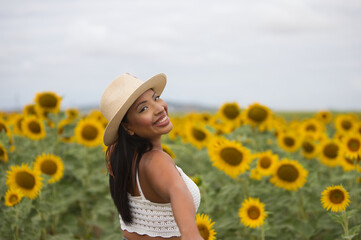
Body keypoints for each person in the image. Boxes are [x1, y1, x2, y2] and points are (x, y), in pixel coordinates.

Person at [100, 73, 203, 240]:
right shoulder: (156, 160)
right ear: (126, 127)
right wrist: (191, 235)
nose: (159, 108)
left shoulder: (120, 157)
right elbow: (177, 191)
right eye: (143, 109)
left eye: (156, 98)